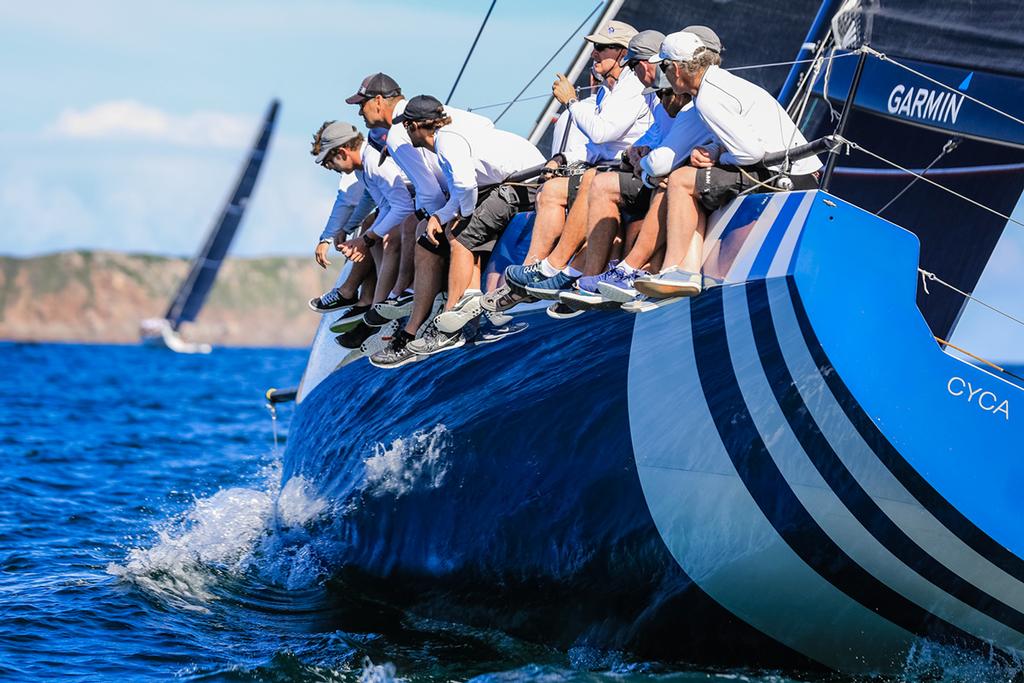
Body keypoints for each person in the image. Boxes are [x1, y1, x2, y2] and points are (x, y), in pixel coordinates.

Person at [628, 30, 822, 300]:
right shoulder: (716, 83)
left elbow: (751, 151)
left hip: (784, 173)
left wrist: (718, 158)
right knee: (689, 178)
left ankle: (675, 270)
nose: (664, 75)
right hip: (796, 168)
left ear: (676, 68)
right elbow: (745, 134)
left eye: (663, 66)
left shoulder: (707, 98)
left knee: (681, 180)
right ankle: (683, 271)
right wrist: (713, 150)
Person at [482, 19, 651, 312]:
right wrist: (562, 160)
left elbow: (602, 133)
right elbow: (595, 146)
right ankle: (535, 271)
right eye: (593, 48)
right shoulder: (606, 90)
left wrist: (571, 101)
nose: (593, 54)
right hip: (607, 168)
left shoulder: (632, 87)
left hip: (624, 170)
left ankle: (550, 269)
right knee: (551, 190)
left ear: (622, 54)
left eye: (600, 48)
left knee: (574, 187)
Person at [369, 95, 545, 368]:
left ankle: (448, 324)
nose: (402, 133)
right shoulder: (445, 140)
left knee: (460, 238)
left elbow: (464, 186)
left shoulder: (447, 142)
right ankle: (461, 311)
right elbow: (460, 190)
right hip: (511, 182)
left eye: (405, 127)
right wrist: (440, 216)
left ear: (415, 126)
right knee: (451, 231)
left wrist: (458, 217)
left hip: (528, 182)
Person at [348, 73, 493, 327]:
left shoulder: (398, 132)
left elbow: (430, 193)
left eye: (362, 104)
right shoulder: (428, 113)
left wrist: (436, 221)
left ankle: (415, 305)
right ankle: (402, 297)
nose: (360, 112)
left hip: (479, 189)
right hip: (480, 183)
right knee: (413, 224)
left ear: (379, 101)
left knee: (418, 229)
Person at [312, 120, 415, 347]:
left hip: (419, 204)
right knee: (372, 227)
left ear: (342, 151)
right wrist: (350, 229)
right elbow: (373, 199)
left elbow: (402, 206)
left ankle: (378, 314)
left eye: (329, 160)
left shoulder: (373, 162)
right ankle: (373, 305)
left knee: (386, 237)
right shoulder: (364, 168)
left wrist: (367, 238)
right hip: (407, 204)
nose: (330, 167)